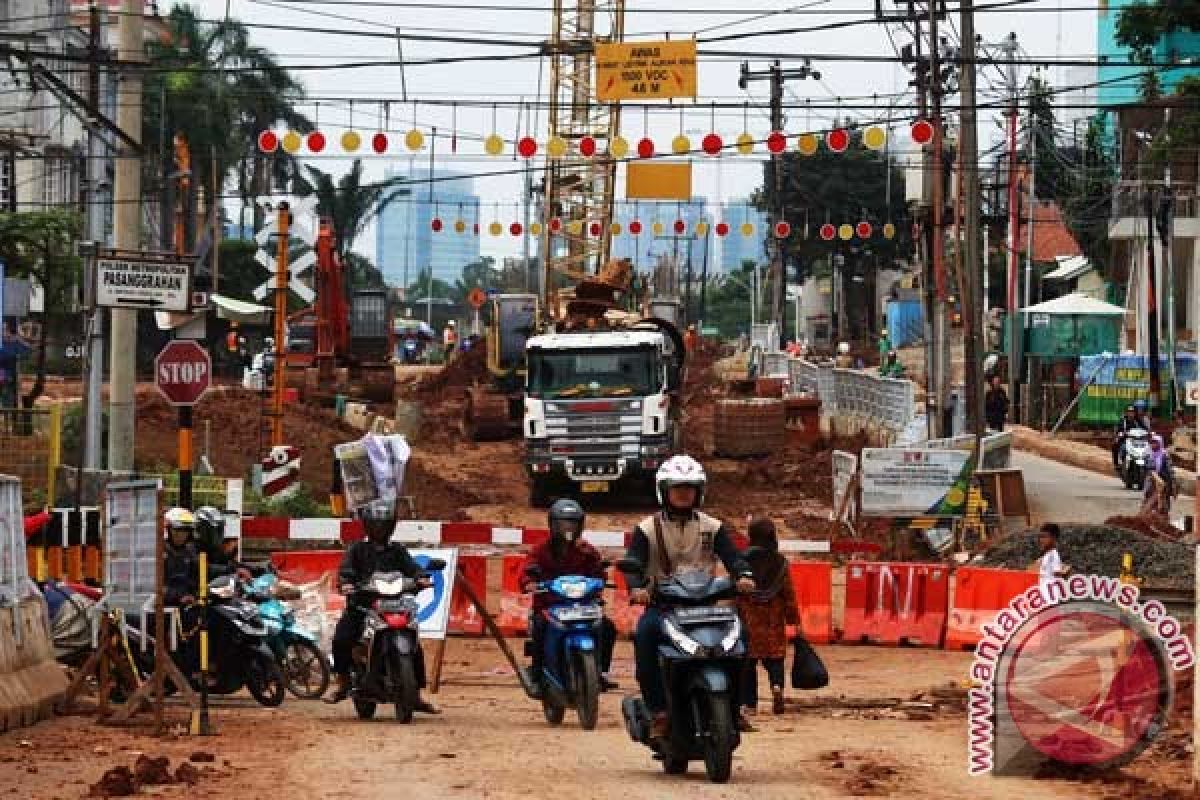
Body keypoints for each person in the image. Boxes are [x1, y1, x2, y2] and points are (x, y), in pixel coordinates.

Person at [624, 455, 755, 740]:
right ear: (664, 490)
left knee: (742, 635)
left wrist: (744, 576)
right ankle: (658, 710)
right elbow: (633, 562)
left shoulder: (713, 527)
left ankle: (741, 705)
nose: (684, 494)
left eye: (690, 488)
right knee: (645, 636)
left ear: (700, 491)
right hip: (663, 607)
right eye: (677, 487)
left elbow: (734, 559)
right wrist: (637, 588)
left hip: (708, 606)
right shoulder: (646, 529)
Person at [324, 508, 439, 713]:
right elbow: (346, 571)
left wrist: (421, 577)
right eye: (377, 524)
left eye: (385, 524)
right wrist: (347, 583)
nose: (381, 528)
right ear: (368, 526)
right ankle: (342, 684)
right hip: (363, 606)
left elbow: (412, 568)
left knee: (414, 644)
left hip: (394, 605)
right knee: (342, 638)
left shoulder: (397, 550)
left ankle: (416, 695)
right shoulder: (357, 549)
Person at [521, 499, 618, 695]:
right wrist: (530, 582)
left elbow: (598, 571)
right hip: (550, 605)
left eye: (572, 523)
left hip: (583, 605)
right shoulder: (540, 549)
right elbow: (526, 573)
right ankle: (537, 674)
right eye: (563, 523)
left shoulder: (587, 550)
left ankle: (600, 671)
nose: (568, 528)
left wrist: (601, 578)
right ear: (553, 524)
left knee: (607, 627)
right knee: (540, 627)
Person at [736, 518, 799, 731]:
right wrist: (793, 619)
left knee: (748, 663)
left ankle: (750, 703)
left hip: (749, 618)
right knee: (775, 659)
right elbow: (788, 593)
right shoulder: (780, 562)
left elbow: (733, 589)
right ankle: (776, 686)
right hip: (773, 618)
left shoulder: (742, 561)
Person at [1143, 433, 1176, 515]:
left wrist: (1172, 483)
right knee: (1149, 499)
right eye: (1152, 442)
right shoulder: (1149, 454)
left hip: (1163, 482)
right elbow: (1149, 467)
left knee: (1163, 503)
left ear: (1160, 443)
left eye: (1155, 442)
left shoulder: (1165, 455)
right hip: (1152, 481)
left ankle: (1163, 518)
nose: (1153, 445)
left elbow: (1170, 470)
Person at [1113, 403, 1153, 468]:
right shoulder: (1123, 420)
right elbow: (1118, 429)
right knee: (1116, 445)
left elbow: (1144, 427)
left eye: (1132, 412)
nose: (1131, 414)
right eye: (1129, 412)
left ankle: (1149, 463)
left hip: (1137, 440)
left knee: (1148, 447)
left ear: (1135, 413)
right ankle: (1117, 463)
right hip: (1126, 440)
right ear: (1126, 413)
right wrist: (1120, 433)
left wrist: (1149, 432)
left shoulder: (1137, 420)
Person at [1036, 523, 1069, 594]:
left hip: (1050, 594)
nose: (1041, 540)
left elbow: (1057, 575)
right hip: (1044, 592)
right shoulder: (1046, 555)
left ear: (1054, 538)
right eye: (1040, 537)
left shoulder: (1054, 555)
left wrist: (1055, 594)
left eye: (1045, 537)